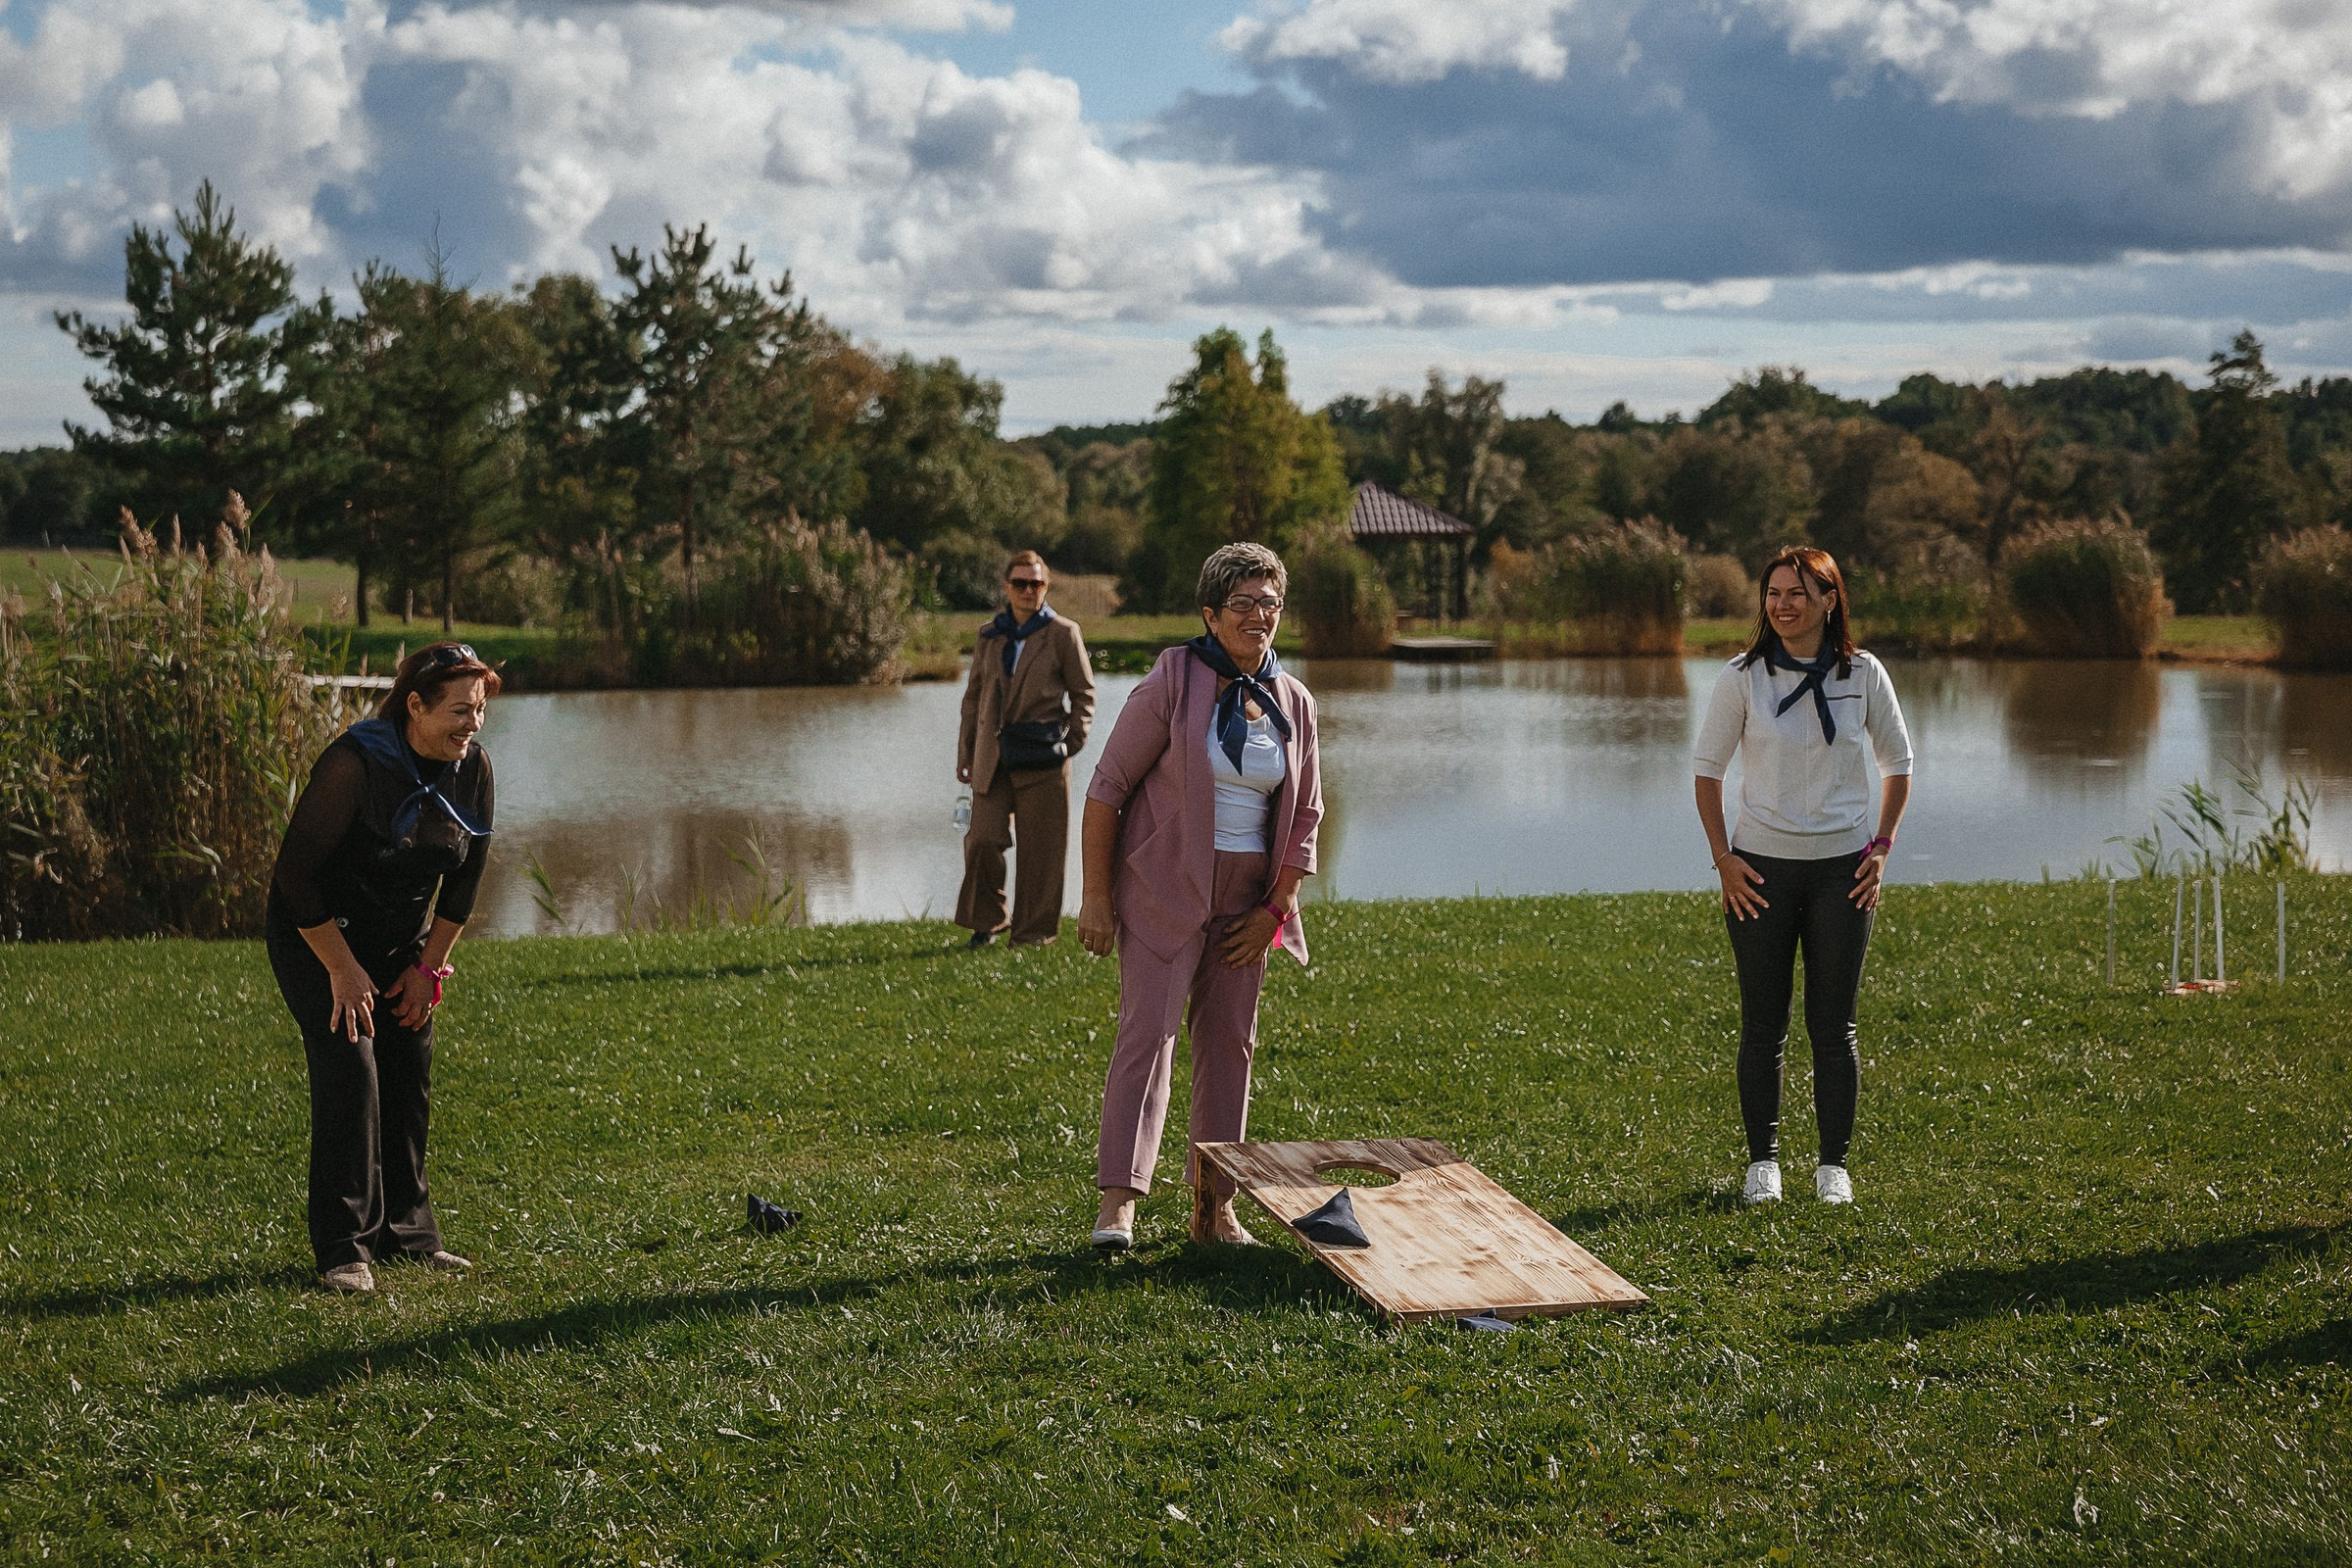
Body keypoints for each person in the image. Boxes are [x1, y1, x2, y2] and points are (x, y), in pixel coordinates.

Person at [1078, 542, 1322, 1249]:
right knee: (1147, 1036)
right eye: (1244, 604)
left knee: (1230, 1047)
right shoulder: (1173, 679)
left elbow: (1307, 816)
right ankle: (1118, 1205)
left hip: (1248, 902)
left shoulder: (1295, 700)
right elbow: (1106, 790)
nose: (1260, 616)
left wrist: (1274, 911)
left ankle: (1215, 1212)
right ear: (1210, 614)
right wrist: (1096, 896)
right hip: (1161, 890)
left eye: (1270, 602)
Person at [267, 642, 499, 1293]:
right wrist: (341, 970)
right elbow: (295, 876)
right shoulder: (354, 765)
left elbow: (464, 880)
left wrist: (428, 969)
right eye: (459, 710)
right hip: (318, 936)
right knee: (354, 1062)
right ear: (415, 706)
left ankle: (410, 1236)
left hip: (401, 942)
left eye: (479, 710)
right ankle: (344, 1250)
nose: (472, 724)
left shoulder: (473, 768)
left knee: (409, 1062)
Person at [1693, 547, 1912, 1207]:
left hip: (1844, 874)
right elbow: (1707, 773)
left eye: (1798, 593)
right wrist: (1724, 859)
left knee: (1834, 1025)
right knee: (1764, 1023)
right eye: (1774, 593)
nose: (1782, 604)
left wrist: (1880, 848)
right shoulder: (1742, 677)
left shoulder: (1864, 674)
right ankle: (1764, 1163)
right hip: (1759, 872)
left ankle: (1832, 1168)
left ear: (1829, 600)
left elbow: (1899, 764)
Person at [956, 551, 1096, 949]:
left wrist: (1072, 743)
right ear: (1007, 587)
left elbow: (1084, 695)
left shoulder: (1063, 633)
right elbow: (973, 698)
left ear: (1046, 587)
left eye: (1036, 584)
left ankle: (1033, 935)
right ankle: (987, 921)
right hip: (993, 755)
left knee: (1042, 853)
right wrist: (965, 753)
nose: (1028, 591)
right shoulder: (990, 635)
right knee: (982, 840)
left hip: (1043, 756)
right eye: (1020, 583)